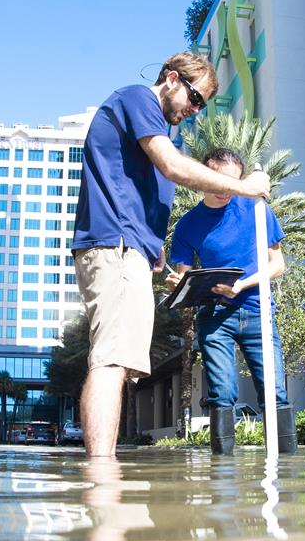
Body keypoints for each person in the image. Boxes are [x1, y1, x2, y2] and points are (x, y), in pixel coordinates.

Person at [72, 52, 271, 459]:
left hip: (131, 252)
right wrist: (244, 188)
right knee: (111, 362)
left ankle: (102, 469)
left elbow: (133, 190)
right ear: (172, 78)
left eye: (202, 106)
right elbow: (173, 167)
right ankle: (101, 476)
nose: (194, 111)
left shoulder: (156, 125)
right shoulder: (138, 100)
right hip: (116, 249)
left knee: (118, 361)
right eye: (194, 99)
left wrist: (156, 258)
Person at [163, 148, 294, 456]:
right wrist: (178, 283)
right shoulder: (187, 225)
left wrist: (242, 284)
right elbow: (184, 277)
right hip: (213, 316)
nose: (226, 190)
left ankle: (286, 472)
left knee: (274, 391)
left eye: (234, 182)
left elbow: (278, 265)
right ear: (203, 178)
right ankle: (222, 478)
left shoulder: (257, 210)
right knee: (222, 393)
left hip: (257, 311)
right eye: (219, 181)